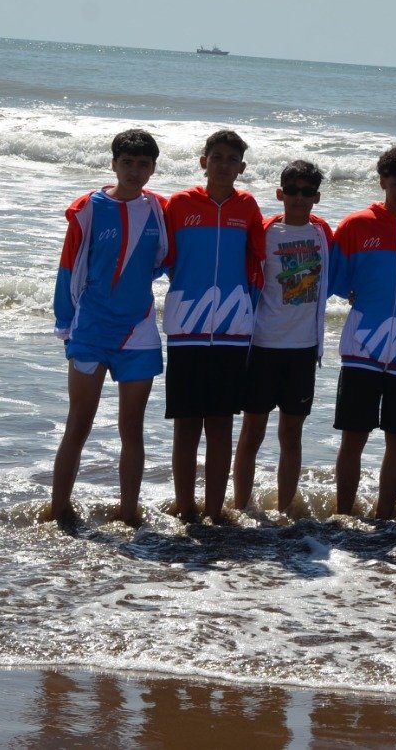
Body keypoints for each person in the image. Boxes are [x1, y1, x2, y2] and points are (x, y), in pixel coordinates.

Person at [48, 128, 169, 527]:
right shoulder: (89, 207)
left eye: (143, 165)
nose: (135, 172)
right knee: (78, 422)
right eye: (127, 163)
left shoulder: (159, 210)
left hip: (138, 331)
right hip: (91, 329)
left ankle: (129, 514)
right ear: (114, 164)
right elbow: (69, 267)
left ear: (152, 169)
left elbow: (166, 262)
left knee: (131, 427)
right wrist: (65, 323)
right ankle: (58, 510)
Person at [161, 130, 265, 523]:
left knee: (221, 424)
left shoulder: (248, 207)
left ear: (242, 167)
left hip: (233, 332)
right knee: (186, 425)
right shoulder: (179, 204)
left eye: (231, 159)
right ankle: (186, 510)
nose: (223, 165)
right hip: (186, 328)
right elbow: (164, 257)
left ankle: (216, 511)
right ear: (204, 161)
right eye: (216, 157)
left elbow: (261, 260)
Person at [331, 146, 396, 518]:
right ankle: (344, 515)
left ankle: (385, 517)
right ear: (382, 182)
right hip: (362, 345)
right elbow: (334, 281)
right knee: (354, 437)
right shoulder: (355, 225)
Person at [235, 160, 334, 515]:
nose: (299, 198)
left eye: (307, 192)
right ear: (280, 193)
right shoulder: (264, 232)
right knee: (252, 433)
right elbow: (247, 283)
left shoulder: (323, 233)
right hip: (262, 347)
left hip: (303, 350)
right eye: (292, 191)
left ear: (317, 197)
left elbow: (334, 278)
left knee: (291, 436)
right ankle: (242, 508)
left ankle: (285, 511)